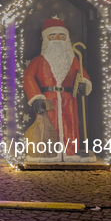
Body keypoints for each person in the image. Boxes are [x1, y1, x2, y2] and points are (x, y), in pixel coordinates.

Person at [23, 17, 92, 160]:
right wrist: (36, 98)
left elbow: (82, 74)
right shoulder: (38, 61)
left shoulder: (73, 59)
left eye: (61, 36)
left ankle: (70, 152)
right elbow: (28, 77)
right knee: (48, 125)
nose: (57, 39)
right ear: (46, 39)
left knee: (70, 125)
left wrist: (84, 83)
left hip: (69, 98)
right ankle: (49, 153)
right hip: (48, 99)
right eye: (52, 36)